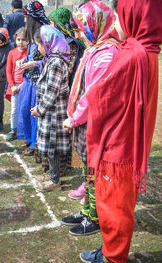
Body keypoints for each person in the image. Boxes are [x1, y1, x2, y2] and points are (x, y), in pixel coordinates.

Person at [79, 0, 162, 262]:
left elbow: (102, 96)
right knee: (117, 204)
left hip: (118, 145)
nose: (115, 25)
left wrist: (79, 109)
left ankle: (113, 257)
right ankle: (109, 250)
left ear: (134, 16)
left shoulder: (133, 54)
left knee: (113, 206)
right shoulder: (146, 50)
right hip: (129, 143)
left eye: (120, 18)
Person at [61, 0, 119, 237]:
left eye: (83, 28)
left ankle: (94, 218)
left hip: (95, 124)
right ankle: (86, 211)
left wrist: (74, 118)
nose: (80, 34)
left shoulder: (107, 52)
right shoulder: (96, 48)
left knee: (93, 173)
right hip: (87, 123)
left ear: (97, 25)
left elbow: (94, 94)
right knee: (87, 172)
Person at [30, 25, 71, 192]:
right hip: (50, 113)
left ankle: (54, 180)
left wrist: (39, 109)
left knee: (52, 147)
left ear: (47, 43)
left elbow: (51, 93)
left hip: (53, 114)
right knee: (49, 147)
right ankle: (52, 176)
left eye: (39, 45)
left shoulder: (56, 63)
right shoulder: (52, 59)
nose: (39, 48)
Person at [48, 8, 85, 176]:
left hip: (68, 91)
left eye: (53, 23)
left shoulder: (70, 43)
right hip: (62, 89)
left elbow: (68, 70)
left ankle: (63, 167)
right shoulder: (60, 41)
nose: (51, 26)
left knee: (64, 131)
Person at [17, 0, 49, 157]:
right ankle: (30, 139)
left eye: (26, 17)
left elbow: (50, 59)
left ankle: (35, 143)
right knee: (24, 110)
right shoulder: (32, 36)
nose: (24, 21)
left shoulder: (44, 34)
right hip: (29, 80)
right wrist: (25, 61)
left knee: (34, 113)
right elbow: (32, 54)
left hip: (38, 81)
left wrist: (33, 63)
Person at [5, 27, 28, 141]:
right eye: (18, 39)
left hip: (26, 86)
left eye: (24, 39)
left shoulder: (29, 53)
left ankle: (24, 130)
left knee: (25, 108)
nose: (21, 42)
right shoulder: (11, 53)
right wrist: (12, 85)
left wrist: (21, 85)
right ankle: (13, 130)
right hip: (14, 86)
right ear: (15, 40)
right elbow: (8, 71)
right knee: (14, 109)